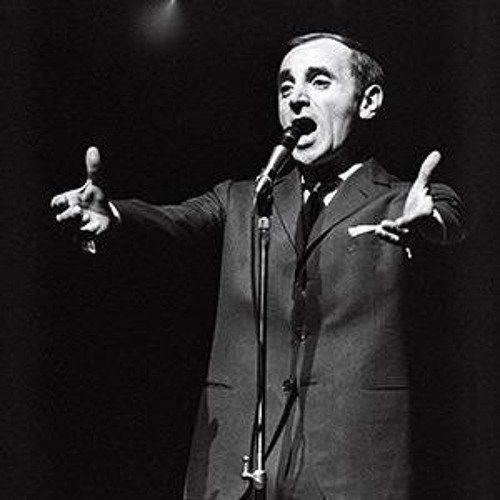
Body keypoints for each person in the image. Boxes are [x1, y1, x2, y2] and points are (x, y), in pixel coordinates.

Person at [51, 32, 465, 499]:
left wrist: (429, 220)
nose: (297, 98)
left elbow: (450, 217)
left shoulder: (399, 199)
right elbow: (177, 221)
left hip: (352, 467)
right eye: (286, 86)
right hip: (238, 463)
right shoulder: (243, 198)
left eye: (319, 82)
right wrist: (115, 215)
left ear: (368, 101)